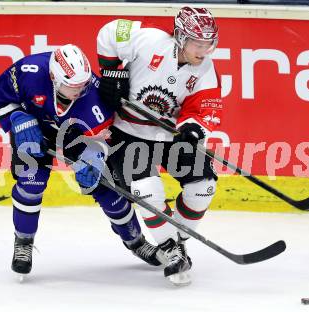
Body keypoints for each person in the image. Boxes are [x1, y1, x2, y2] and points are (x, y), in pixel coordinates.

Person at [0, 44, 164, 277]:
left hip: (79, 137)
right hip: (34, 130)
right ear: (53, 77)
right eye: (73, 86)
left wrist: (95, 155)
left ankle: (136, 241)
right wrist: (16, 117)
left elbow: (104, 136)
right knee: (31, 183)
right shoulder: (28, 71)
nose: (80, 90)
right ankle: (23, 242)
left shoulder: (95, 96)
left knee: (107, 190)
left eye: (83, 84)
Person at [96, 7, 223, 285]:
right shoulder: (149, 39)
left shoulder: (205, 69)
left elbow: (205, 109)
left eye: (208, 44)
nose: (203, 51)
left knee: (203, 187)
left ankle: (177, 241)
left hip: (168, 135)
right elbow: (110, 32)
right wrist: (110, 73)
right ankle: (169, 249)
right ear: (180, 37)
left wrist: (192, 127)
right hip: (126, 131)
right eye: (197, 43)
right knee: (145, 189)